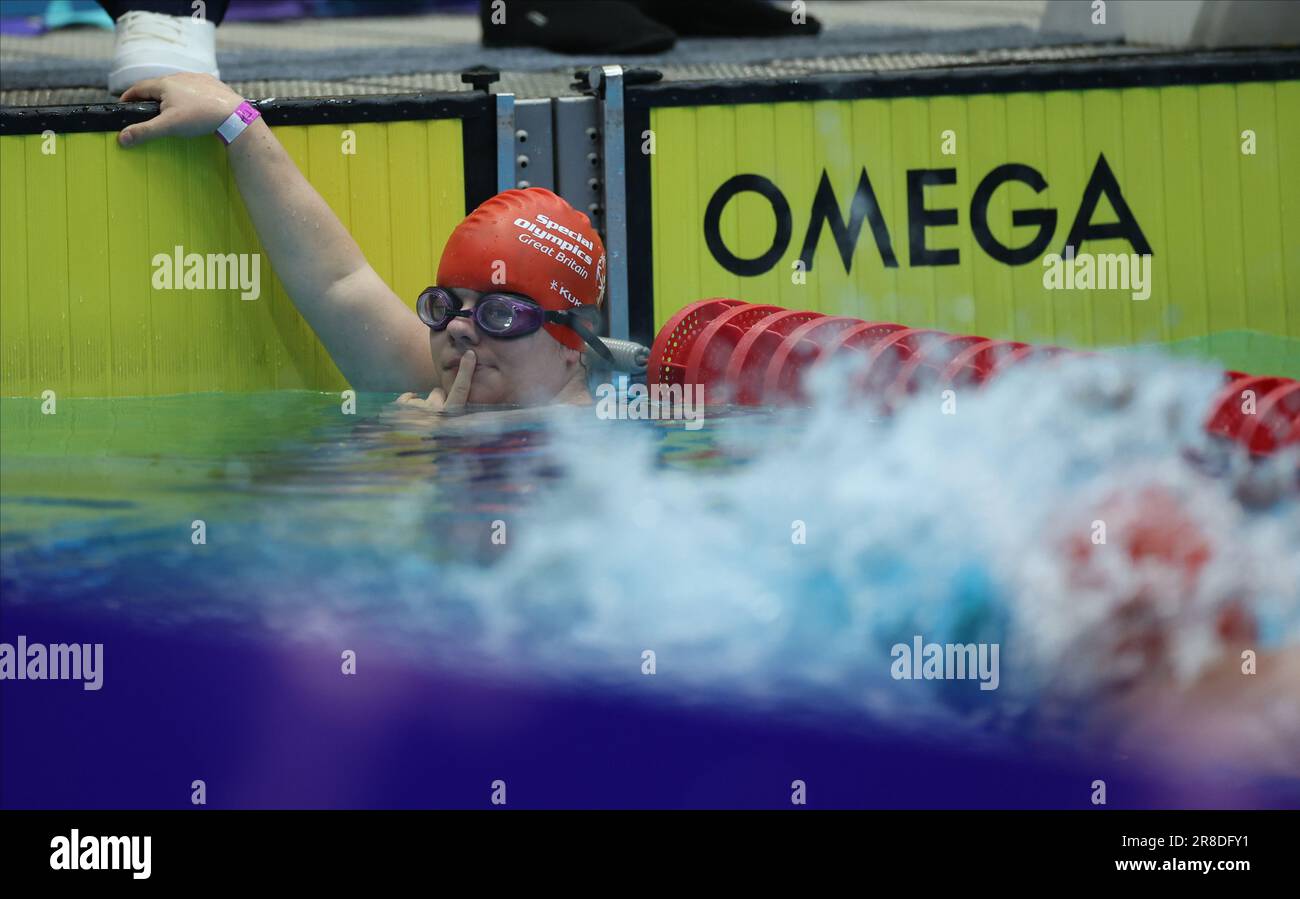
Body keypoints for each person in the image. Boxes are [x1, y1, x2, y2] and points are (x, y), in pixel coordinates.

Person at [115, 73, 611, 411]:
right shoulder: (457, 380)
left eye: (499, 314)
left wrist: (440, 462)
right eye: (444, 305)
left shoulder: (592, 461)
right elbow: (338, 283)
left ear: (574, 336)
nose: (458, 330)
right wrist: (236, 121)